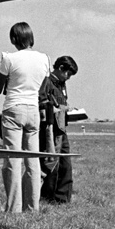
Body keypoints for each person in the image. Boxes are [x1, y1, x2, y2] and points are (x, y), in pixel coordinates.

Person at [0, 22, 50, 213]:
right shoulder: (44, 59)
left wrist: (8, 79)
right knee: (33, 160)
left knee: (13, 159)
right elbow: (42, 88)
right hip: (33, 110)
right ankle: (32, 207)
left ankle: (13, 208)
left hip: (13, 109)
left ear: (14, 39)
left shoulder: (9, 58)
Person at [40, 55, 78, 204]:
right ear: (61, 68)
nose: (68, 78)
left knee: (65, 164)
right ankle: (47, 197)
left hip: (62, 127)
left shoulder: (62, 84)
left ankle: (62, 198)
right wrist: (55, 108)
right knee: (51, 163)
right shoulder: (47, 82)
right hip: (51, 128)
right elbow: (42, 101)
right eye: (68, 74)